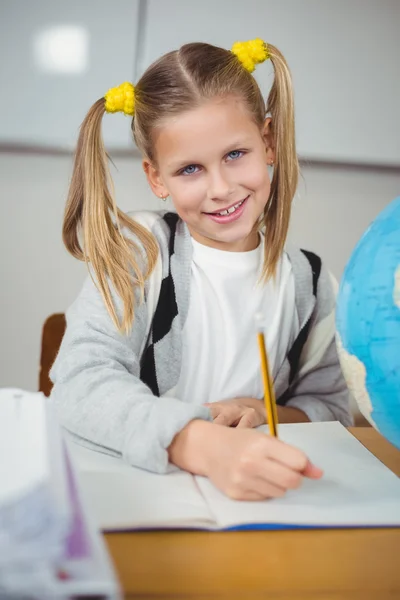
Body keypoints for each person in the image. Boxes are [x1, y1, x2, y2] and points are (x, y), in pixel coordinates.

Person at [51, 38, 352, 501]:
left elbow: (332, 407)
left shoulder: (309, 283)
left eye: (235, 154)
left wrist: (263, 410)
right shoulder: (141, 253)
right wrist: (200, 443)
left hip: (261, 505)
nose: (220, 188)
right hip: (146, 497)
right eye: (190, 169)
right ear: (157, 178)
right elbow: (79, 383)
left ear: (267, 142)